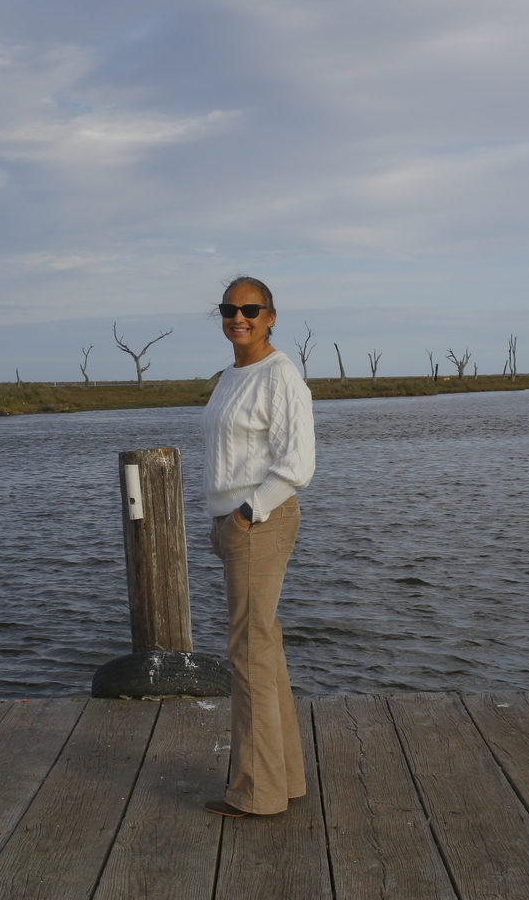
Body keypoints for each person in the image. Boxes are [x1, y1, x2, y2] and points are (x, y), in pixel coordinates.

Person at [202, 275, 316, 818]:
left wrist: (247, 515)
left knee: (248, 655)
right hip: (238, 522)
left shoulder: (280, 374)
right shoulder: (232, 374)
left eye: (251, 308)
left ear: (271, 316)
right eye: (229, 308)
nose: (238, 317)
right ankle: (284, 779)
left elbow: (297, 465)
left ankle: (256, 792)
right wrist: (225, 517)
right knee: (263, 649)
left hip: (261, 522)